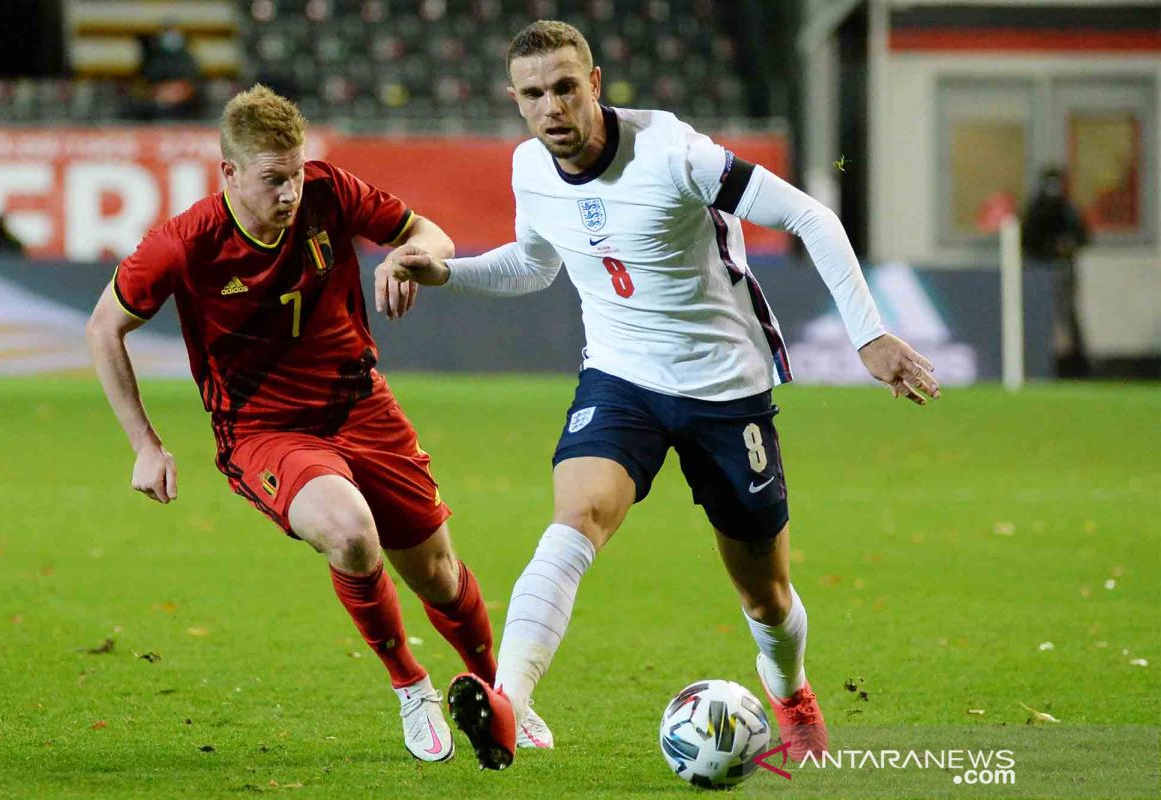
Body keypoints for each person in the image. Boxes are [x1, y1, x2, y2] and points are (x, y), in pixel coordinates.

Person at [387, 21, 940, 771]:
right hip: (621, 380)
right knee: (576, 516)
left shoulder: (675, 154)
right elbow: (534, 264)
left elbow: (810, 215)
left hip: (725, 390)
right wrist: (448, 271)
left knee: (766, 597)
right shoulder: (529, 169)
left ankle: (791, 691)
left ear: (596, 83)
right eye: (533, 94)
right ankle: (510, 702)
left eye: (564, 87)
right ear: (515, 101)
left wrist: (869, 334)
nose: (551, 107)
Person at [85, 84, 551, 762]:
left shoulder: (330, 192)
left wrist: (410, 257)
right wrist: (145, 445)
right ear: (229, 174)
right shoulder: (186, 244)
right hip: (265, 432)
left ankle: (499, 690)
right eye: (274, 179)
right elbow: (105, 327)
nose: (290, 192)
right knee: (349, 532)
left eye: (297, 172)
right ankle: (410, 685)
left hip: (362, 405)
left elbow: (427, 232)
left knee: (440, 575)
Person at [1021, 166, 1089, 378]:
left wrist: (1066, 246)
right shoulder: (1036, 209)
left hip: (1062, 269)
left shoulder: (1068, 208)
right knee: (1039, 317)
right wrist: (1046, 248)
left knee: (1067, 318)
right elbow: (1027, 239)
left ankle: (1075, 367)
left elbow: (1082, 237)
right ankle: (1037, 363)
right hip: (1038, 271)